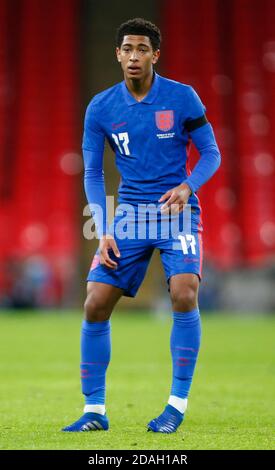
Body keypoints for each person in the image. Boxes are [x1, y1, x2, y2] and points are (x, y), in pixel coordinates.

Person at [62, 17, 221, 433]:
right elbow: (93, 174)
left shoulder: (182, 98)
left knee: (184, 293)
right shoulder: (100, 107)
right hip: (130, 214)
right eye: (127, 49)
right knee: (95, 301)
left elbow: (211, 154)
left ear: (155, 55)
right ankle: (94, 411)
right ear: (117, 54)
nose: (134, 56)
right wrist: (103, 226)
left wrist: (189, 186)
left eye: (142, 49)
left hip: (176, 212)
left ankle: (176, 405)